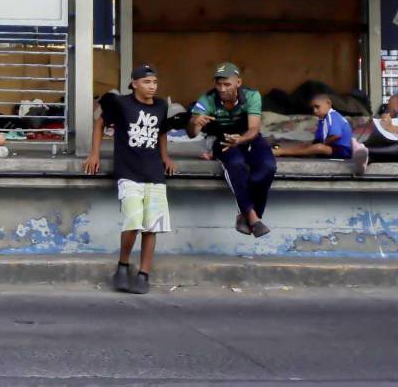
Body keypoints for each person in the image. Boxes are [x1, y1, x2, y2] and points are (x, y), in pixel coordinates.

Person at [83, 64, 177, 295]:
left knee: (151, 227)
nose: (152, 86)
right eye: (147, 82)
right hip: (128, 172)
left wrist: (165, 157)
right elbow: (100, 123)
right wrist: (94, 153)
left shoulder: (161, 105)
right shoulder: (122, 104)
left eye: (154, 82)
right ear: (134, 83)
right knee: (133, 223)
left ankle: (144, 274)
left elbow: (161, 132)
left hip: (154, 173)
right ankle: (123, 266)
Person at [187, 62, 276, 238]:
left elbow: (253, 129)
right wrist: (194, 123)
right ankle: (253, 218)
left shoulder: (252, 96)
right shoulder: (207, 99)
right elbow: (191, 134)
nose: (222, 89)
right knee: (236, 163)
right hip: (221, 139)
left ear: (238, 83)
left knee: (268, 166)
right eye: (218, 84)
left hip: (246, 137)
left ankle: (246, 215)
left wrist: (241, 139)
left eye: (227, 84)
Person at [274, 93, 368, 175]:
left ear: (328, 103)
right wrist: (309, 144)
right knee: (308, 144)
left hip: (342, 150)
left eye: (317, 107)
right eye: (313, 108)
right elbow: (318, 139)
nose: (314, 111)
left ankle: (283, 152)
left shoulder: (332, 116)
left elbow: (336, 135)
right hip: (333, 147)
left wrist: (322, 144)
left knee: (318, 148)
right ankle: (281, 149)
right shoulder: (322, 120)